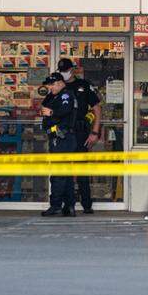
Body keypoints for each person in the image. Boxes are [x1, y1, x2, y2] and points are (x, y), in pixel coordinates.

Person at [57, 57, 102, 214]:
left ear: (72, 70)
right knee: (64, 171)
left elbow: (97, 109)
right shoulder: (58, 86)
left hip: (80, 132)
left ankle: (87, 204)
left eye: (66, 71)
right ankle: (66, 205)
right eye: (61, 71)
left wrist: (95, 132)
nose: (64, 74)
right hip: (63, 134)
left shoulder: (83, 86)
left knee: (81, 170)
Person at [39, 72, 78, 217]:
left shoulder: (66, 95)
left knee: (58, 174)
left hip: (63, 138)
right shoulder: (53, 95)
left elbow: (65, 110)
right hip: (58, 137)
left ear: (61, 83)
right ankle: (69, 206)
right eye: (48, 84)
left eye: (53, 84)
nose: (50, 87)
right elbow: (44, 107)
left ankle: (55, 205)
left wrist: (51, 112)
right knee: (65, 174)